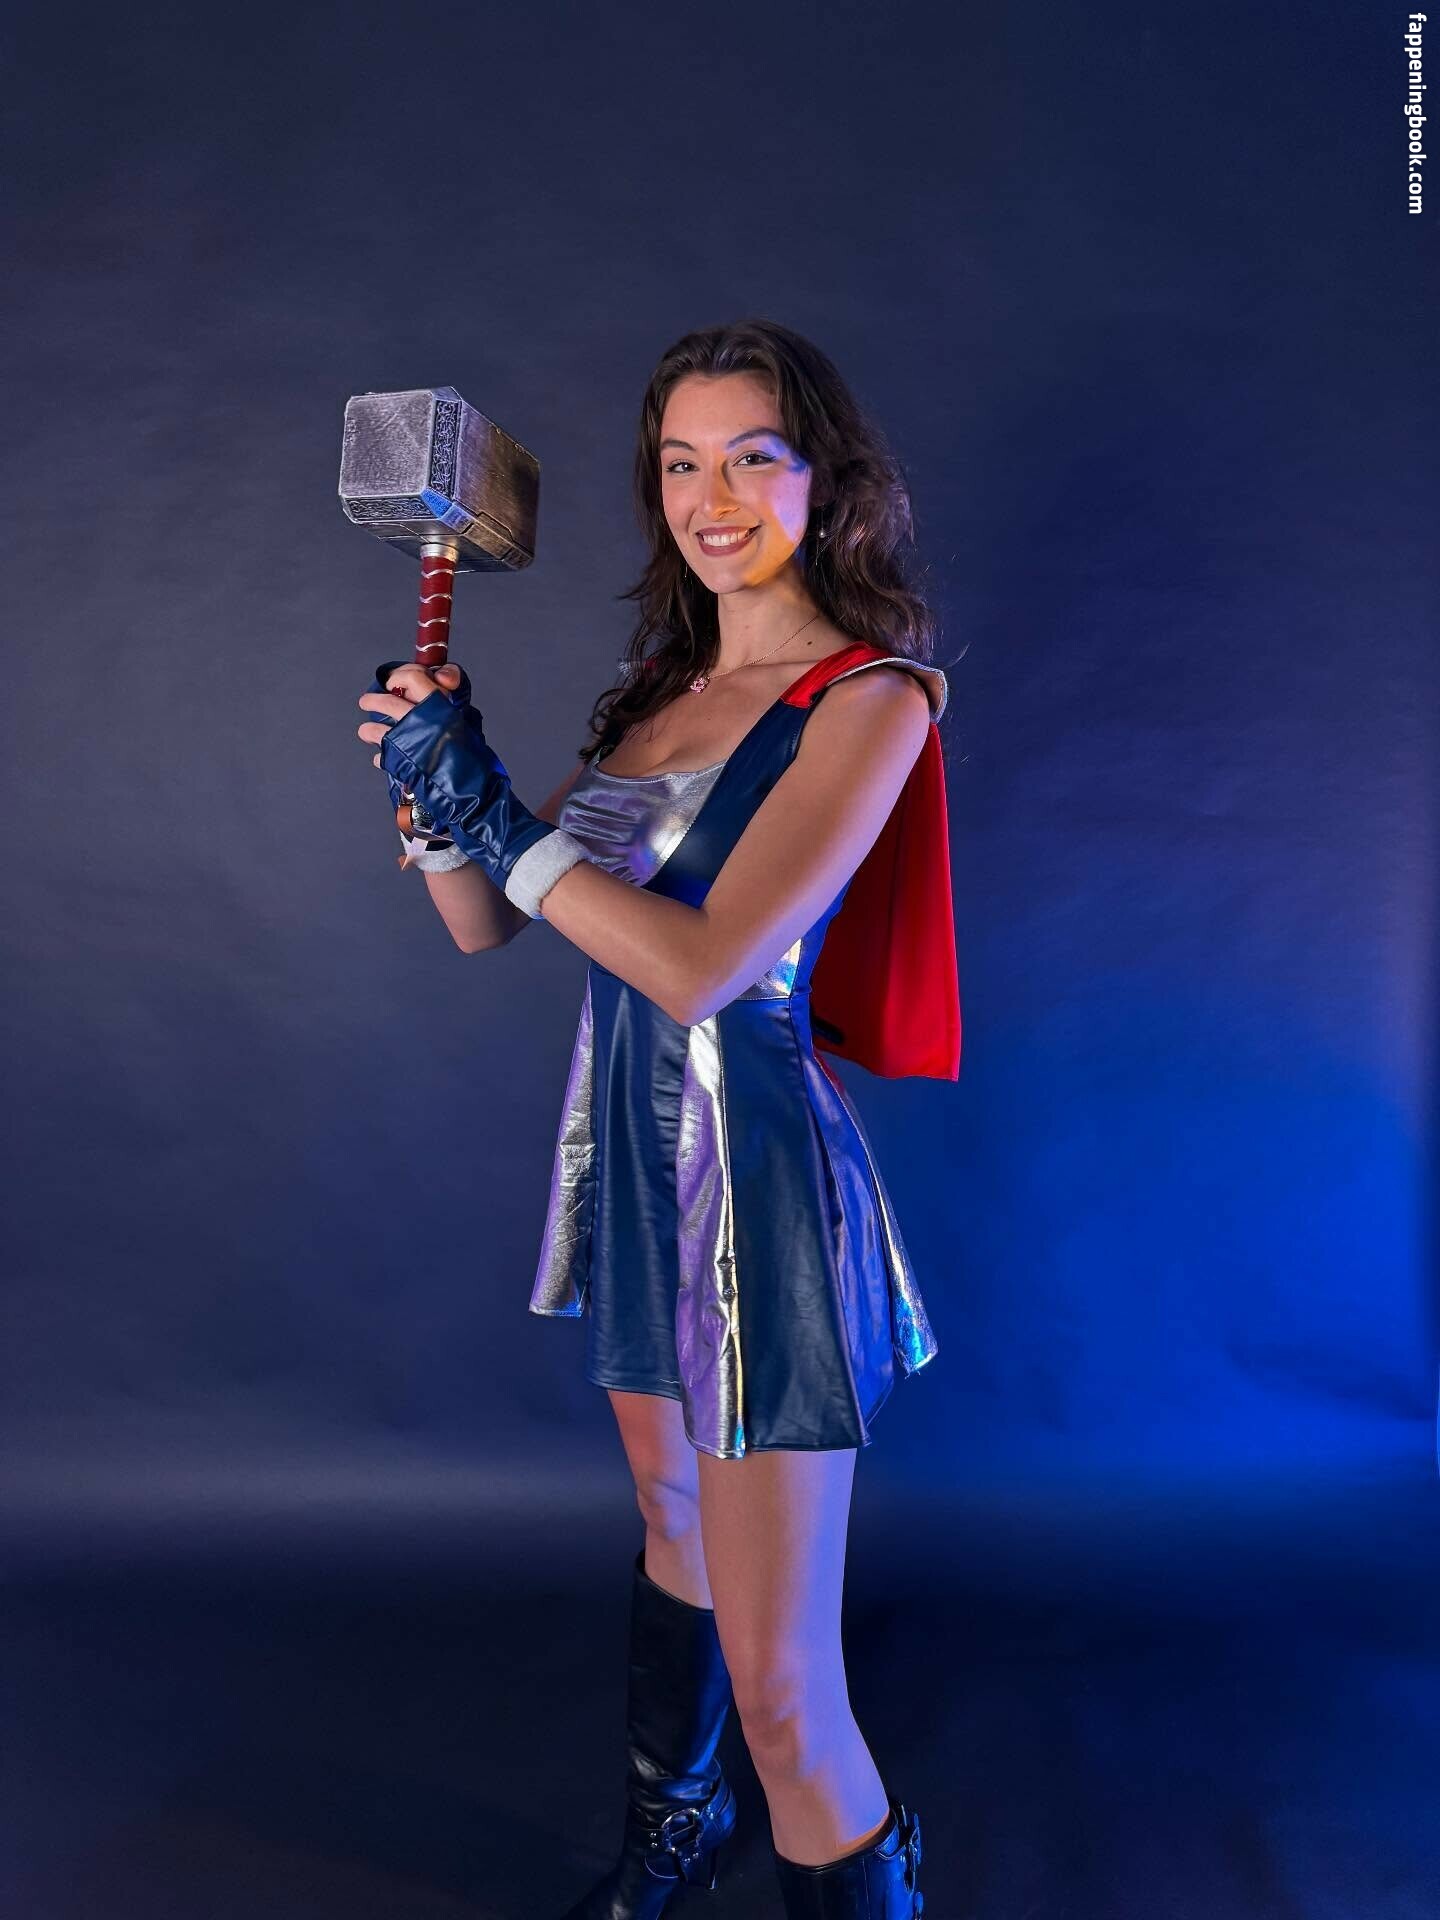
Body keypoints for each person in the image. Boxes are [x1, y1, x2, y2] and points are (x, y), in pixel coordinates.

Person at [355, 319, 959, 1918]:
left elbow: (698, 968)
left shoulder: (869, 700)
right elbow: (489, 922)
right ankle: (671, 1837)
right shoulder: (664, 699)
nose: (713, 498)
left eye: (753, 456)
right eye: (682, 464)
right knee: (670, 1516)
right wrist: (436, 789)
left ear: (825, 480)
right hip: (627, 1162)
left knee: (784, 1690)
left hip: (754, 1188)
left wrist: (490, 809)